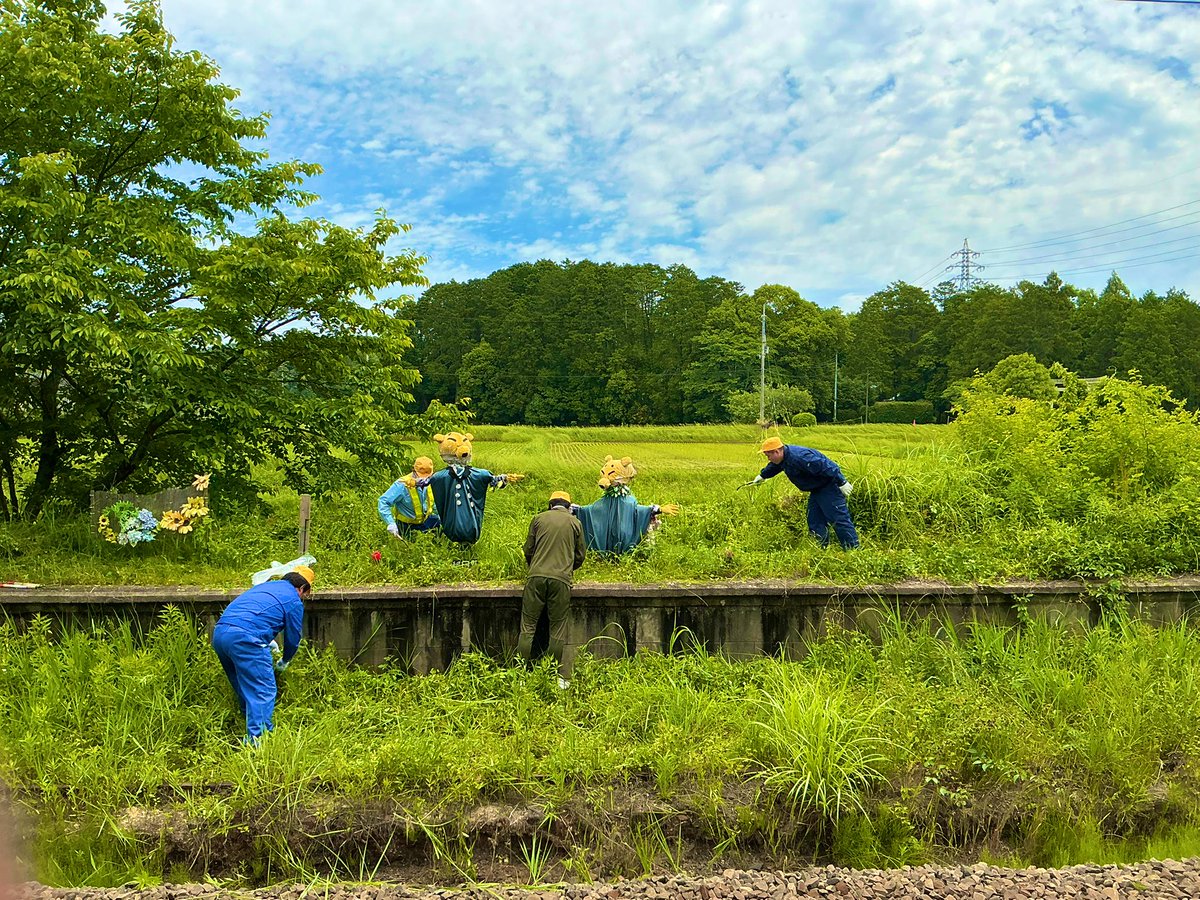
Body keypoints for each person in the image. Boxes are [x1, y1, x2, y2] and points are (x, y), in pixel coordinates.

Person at [211, 565, 313, 744]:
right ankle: (259, 742)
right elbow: (293, 637)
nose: (304, 598)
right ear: (302, 588)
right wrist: (286, 659)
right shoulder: (293, 600)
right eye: (306, 594)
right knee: (262, 690)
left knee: (243, 684)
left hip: (220, 634)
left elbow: (255, 614)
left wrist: (266, 637)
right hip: (247, 639)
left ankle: (244, 725)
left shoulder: (264, 587)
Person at [517, 491, 586, 689]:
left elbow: (528, 549)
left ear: (550, 505)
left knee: (528, 626)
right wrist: (566, 568)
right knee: (557, 628)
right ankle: (554, 676)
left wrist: (535, 566)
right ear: (568, 506)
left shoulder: (538, 519)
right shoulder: (575, 523)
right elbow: (580, 555)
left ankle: (521, 676)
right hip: (561, 581)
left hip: (536, 577)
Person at [748, 436, 859, 549]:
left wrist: (842, 482)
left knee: (839, 520)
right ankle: (820, 549)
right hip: (816, 490)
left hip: (829, 487)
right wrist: (763, 475)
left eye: (768, 455)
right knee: (815, 520)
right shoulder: (783, 458)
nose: (768, 458)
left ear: (777, 451)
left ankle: (853, 550)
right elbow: (774, 466)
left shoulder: (800, 457)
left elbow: (827, 466)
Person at [424, 432, 524, 545]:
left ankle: (464, 549)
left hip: (469, 523)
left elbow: (493, 479)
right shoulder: (442, 477)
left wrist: (505, 478)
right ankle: (458, 548)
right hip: (452, 521)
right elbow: (425, 483)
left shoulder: (476, 474)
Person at [575, 455, 679, 554]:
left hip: (621, 533)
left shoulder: (625, 501)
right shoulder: (614, 500)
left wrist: (659, 509)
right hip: (620, 534)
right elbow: (594, 510)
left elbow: (636, 510)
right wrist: (576, 510)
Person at [378, 456, 441, 537]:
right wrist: (391, 523)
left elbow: (433, 502)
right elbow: (383, 501)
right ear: (414, 471)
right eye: (421, 475)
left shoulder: (431, 482)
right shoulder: (401, 484)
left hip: (425, 521)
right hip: (406, 526)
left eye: (427, 475)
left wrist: (440, 515)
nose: (424, 478)